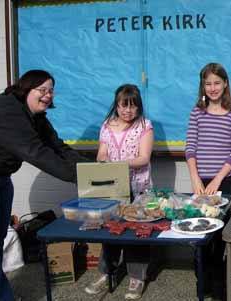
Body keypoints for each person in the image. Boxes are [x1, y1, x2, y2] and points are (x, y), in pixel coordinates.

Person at [0, 70, 88, 301]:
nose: (48, 95)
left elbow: (58, 147)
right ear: (26, 88)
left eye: (51, 90)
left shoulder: (36, 116)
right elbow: (37, 153)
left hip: (3, 181)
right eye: (42, 90)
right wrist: (80, 177)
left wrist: (93, 170)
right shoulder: (8, 110)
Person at [84, 84, 154, 300]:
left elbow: (144, 158)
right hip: (112, 188)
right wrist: (104, 161)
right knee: (110, 231)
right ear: (116, 105)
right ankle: (107, 274)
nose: (128, 111)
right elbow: (101, 153)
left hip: (138, 188)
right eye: (124, 105)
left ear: (138, 107)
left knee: (136, 232)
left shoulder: (144, 125)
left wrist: (119, 164)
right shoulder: (106, 126)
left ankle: (137, 278)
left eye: (133, 106)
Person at [185, 62, 231, 298]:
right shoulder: (197, 113)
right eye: (208, 83)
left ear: (225, 83)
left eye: (217, 83)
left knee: (220, 238)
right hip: (200, 183)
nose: (212, 88)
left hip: (224, 183)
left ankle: (221, 288)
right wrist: (195, 178)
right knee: (201, 235)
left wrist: (217, 180)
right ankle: (204, 284)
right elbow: (190, 148)